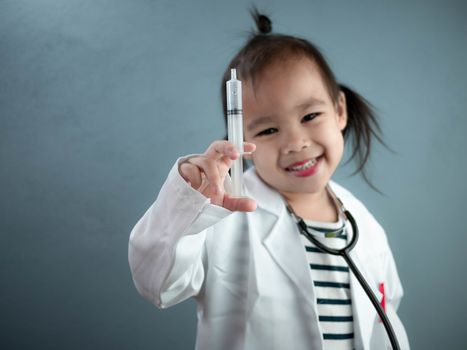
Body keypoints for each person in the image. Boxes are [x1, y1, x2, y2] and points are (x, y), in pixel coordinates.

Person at [128, 9, 410, 350]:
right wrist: (186, 202)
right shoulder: (224, 219)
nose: (295, 143)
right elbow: (157, 283)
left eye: (310, 115)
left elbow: (386, 316)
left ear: (339, 111)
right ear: (240, 141)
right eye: (269, 129)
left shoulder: (364, 226)